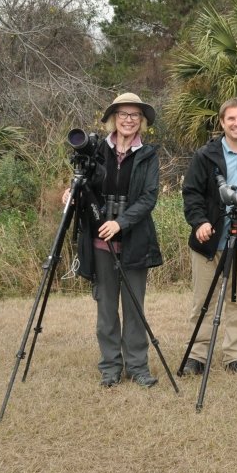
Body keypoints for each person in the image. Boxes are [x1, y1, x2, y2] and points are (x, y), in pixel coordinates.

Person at [62, 92, 163, 388]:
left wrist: (119, 223)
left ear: (141, 121)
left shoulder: (148, 155)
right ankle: (110, 367)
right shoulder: (96, 151)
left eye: (134, 115)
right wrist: (72, 193)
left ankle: (137, 366)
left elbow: (148, 199)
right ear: (112, 119)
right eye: (123, 114)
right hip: (99, 245)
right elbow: (83, 184)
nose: (128, 120)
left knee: (134, 308)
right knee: (106, 308)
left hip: (134, 241)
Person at [181, 98, 237, 375]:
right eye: (231, 119)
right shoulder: (205, 155)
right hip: (209, 240)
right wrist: (199, 222)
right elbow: (192, 194)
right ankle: (197, 355)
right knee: (203, 301)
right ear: (222, 122)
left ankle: (235, 356)